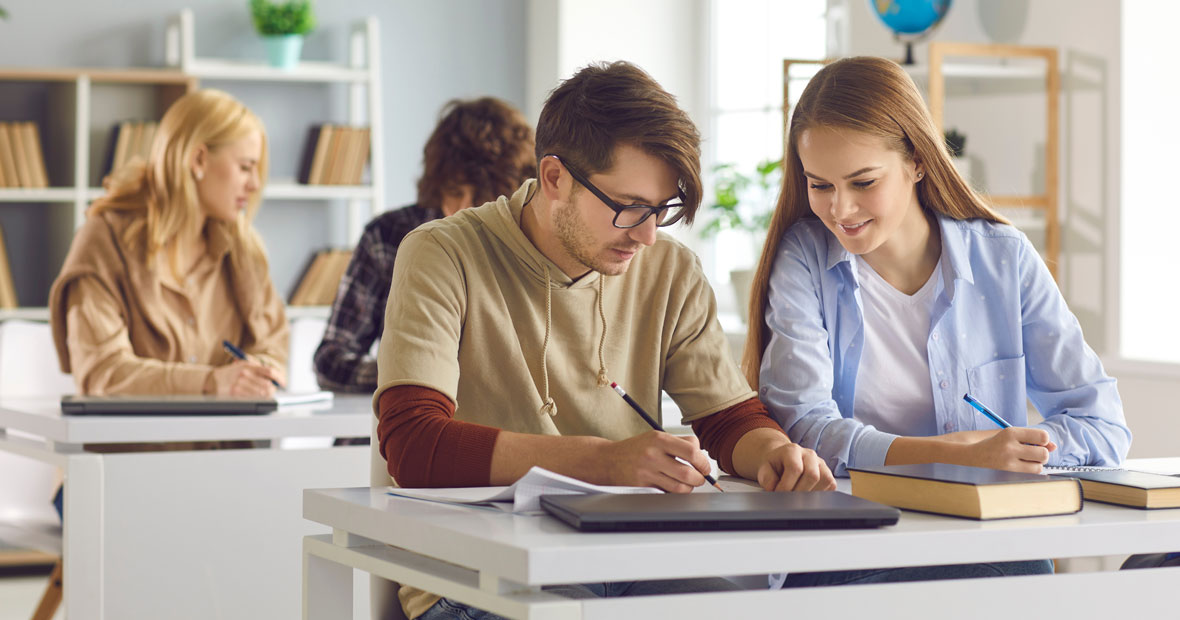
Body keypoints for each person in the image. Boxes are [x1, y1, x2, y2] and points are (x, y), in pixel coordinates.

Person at [375, 61, 838, 620]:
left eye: (660, 210)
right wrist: (606, 463)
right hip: (478, 577)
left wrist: (776, 455)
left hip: (632, 559)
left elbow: (728, 420)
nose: (646, 235)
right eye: (628, 207)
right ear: (554, 178)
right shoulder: (442, 253)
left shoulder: (671, 269)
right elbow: (413, 443)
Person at [744, 56, 1131, 479]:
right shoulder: (804, 258)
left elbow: (1103, 425)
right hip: (862, 534)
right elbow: (803, 428)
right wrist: (956, 453)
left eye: (863, 182)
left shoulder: (1003, 258)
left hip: (988, 539)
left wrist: (1015, 450)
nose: (840, 209)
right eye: (819, 185)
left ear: (917, 162)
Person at [50, 87, 287, 403]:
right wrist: (210, 382)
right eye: (245, 167)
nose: (255, 184)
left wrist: (259, 373)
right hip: (136, 450)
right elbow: (102, 372)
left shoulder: (244, 250)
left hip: (226, 449)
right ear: (199, 159)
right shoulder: (102, 241)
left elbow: (273, 348)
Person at [313, 97, 536, 393]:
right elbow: (330, 362)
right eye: (454, 192)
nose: (464, 209)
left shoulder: (529, 245)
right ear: (437, 182)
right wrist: (412, 369)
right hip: (401, 423)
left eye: (483, 197)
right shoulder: (388, 235)